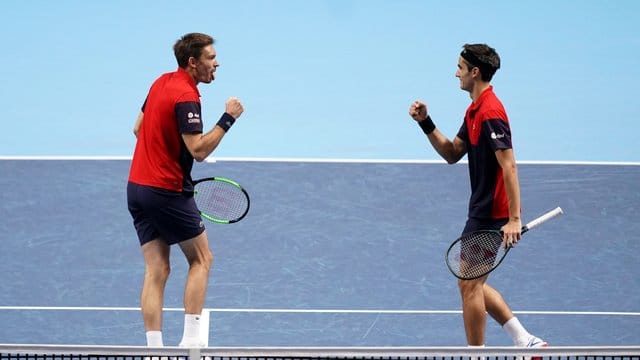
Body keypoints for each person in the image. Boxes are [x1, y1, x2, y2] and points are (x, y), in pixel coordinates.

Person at [408, 43, 547, 349]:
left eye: (459, 67)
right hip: (482, 209)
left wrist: (513, 218)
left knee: (469, 285)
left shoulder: (491, 112)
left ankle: (478, 356)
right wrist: (425, 123)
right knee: (473, 282)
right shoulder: (474, 110)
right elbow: (452, 152)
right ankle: (525, 341)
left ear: (474, 72)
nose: (455, 73)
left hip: (493, 214)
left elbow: (509, 165)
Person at [127, 32, 244, 348]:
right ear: (193, 62)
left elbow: (139, 129)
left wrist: (161, 154)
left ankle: (154, 352)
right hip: (166, 192)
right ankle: (192, 344)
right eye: (210, 57)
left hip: (137, 189)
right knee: (202, 259)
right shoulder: (186, 97)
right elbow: (199, 150)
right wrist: (228, 118)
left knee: (157, 269)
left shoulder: (160, 82)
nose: (216, 63)